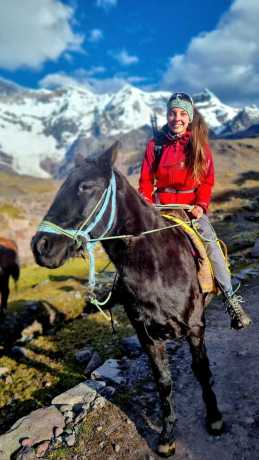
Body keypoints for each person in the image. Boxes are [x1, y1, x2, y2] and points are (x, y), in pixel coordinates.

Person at [139, 92, 252, 330]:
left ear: (189, 117)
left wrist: (201, 206)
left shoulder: (198, 146)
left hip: (190, 209)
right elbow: (146, 180)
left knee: (210, 245)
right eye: (172, 113)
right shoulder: (154, 146)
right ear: (167, 115)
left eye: (182, 113)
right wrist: (146, 202)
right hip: (161, 208)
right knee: (136, 245)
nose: (176, 118)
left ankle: (231, 300)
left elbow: (207, 181)